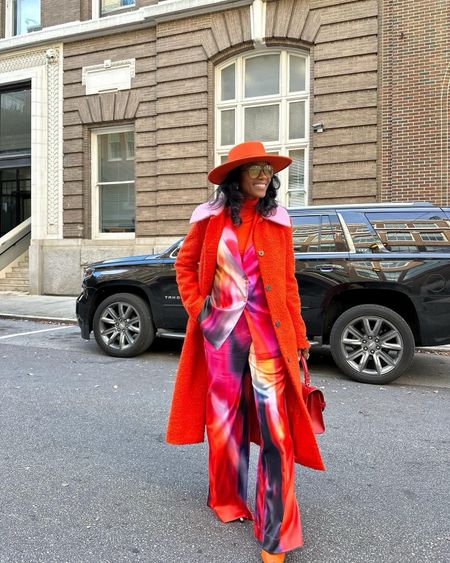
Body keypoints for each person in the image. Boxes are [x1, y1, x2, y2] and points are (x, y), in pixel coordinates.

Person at [166, 141, 325, 562]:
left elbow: (287, 284)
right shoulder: (209, 218)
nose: (263, 176)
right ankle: (227, 498)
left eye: (267, 170)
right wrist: (199, 309)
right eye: (254, 169)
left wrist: (301, 338)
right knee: (225, 423)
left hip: (269, 337)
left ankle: (277, 532)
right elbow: (184, 266)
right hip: (220, 334)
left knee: (277, 432)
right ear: (235, 176)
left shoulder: (278, 220)